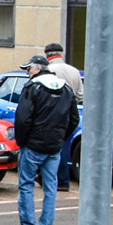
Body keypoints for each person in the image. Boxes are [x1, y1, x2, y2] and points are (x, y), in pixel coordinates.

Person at [12, 54, 74, 225]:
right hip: (54, 146)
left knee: (26, 185)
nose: (27, 73)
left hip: (33, 144)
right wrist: (60, 137)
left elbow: (23, 118)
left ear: (38, 68)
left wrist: (22, 141)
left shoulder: (32, 88)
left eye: (29, 69)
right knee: (50, 188)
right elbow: (73, 120)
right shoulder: (66, 89)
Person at [43, 44, 83, 193]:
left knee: (53, 148)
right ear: (61, 54)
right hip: (70, 113)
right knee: (63, 146)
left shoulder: (49, 71)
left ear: (47, 55)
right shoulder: (74, 71)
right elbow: (80, 95)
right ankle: (60, 179)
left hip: (53, 114)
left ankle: (61, 180)